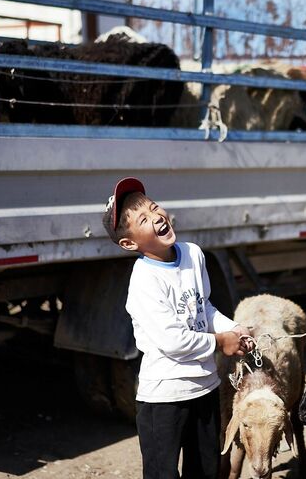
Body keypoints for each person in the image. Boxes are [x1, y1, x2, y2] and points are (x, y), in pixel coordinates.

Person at [102, 177, 252, 479]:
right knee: (163, 473)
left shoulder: (194, 254)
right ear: (130, 243)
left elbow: (203, 306)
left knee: (206, 470)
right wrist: (221, 342)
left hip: (205, 387)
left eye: (154, 207)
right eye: (143, 218)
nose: (156, 216)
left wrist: (234, 329)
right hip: (165, 397)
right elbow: (172, 340)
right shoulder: (145, 280)